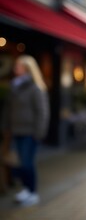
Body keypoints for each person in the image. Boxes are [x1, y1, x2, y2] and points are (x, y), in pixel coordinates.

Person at [3, 55, 50, 206]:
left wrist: (39, 133)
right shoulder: (14, 86)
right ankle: (25, 189)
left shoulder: (35, 87)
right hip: (16, 131)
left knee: (27, 163)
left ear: (27, 69)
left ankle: (32, 192)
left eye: (19, 66)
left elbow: (42, 112)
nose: (16, 68)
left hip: (30, 132)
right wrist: (6, 127)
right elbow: (8, 110)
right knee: (20, 163)